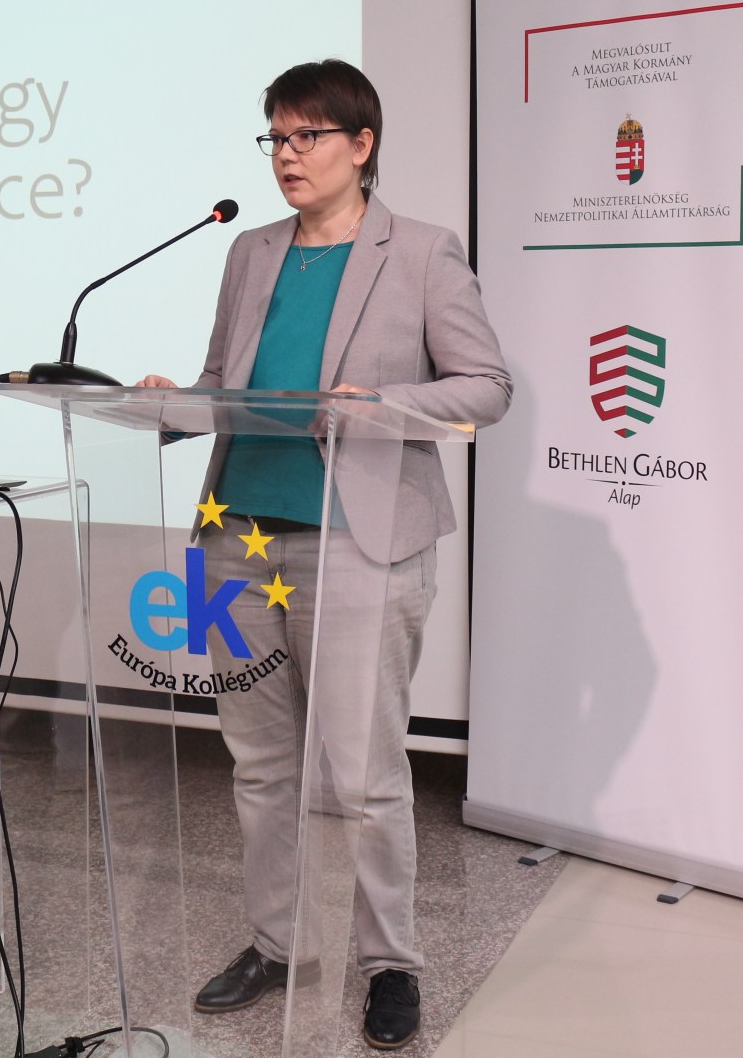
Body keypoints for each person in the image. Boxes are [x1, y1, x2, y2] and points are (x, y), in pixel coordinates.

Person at [137, 59, 511, 1050]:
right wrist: (168, 403)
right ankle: (280, 941)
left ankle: (389, 962)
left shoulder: (421, 251)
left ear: (362, 143)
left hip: (358, 543)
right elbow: (223, 382)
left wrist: (384, 405)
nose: (287, 155)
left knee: (364, 773)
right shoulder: (251, 251)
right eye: (276, 137)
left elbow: (486, 386)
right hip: (235, 539)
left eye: (307, 136)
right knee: (260, 763)